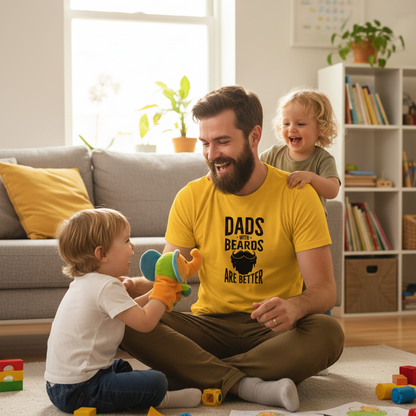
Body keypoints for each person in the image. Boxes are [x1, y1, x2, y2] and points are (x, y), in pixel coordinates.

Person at [120, 86, 345, 412]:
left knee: (328, 332)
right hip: (208, 325)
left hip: (272, 332)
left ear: (254, 137)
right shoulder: (191, 197)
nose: (212, 154)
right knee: (125, 321)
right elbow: (170, 281)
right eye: (205, 143)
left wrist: (295, 307)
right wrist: (132, 291)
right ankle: (246, 384)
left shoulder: (298, 194)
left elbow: (325, 291)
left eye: (223, 142)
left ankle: (197, 371)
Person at [44, 208, 201, 414]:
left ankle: (130, 394)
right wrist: (163, 290)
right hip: (79, 389)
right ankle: (162, 399)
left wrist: (157, 293)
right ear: (101, 254)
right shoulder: (106, 286)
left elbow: (131, 308)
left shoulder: (88, 282)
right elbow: (144, 323)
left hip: (59, 386)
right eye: (126, 240)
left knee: (120, 367)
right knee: (156, 380)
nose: (132, 246)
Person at [260, 87, 340, 215]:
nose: (291, 129)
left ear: (321, 128)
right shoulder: (273, 154)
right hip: (279, 222)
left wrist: (312, 178)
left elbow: (333, 191)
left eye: (300, 124)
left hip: (311, 224)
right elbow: (253, 171)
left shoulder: (323, 159)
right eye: (286, 124)